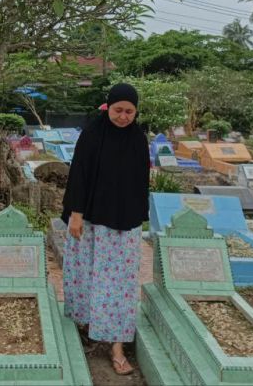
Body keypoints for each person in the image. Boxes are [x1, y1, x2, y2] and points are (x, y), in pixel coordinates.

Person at [61, 83, 151, 376]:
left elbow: (140, 183)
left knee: (121, 285)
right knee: (85, 275)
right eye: (118, 110)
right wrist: (75, 214)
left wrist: (138, 218)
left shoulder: (138, 139)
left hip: (123, 223)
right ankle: (86, 328)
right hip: (87, 219)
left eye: (129, 111)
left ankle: (116, 346)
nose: (123, 116)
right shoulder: (92, 134)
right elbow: (79, 174)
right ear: (107, 107)